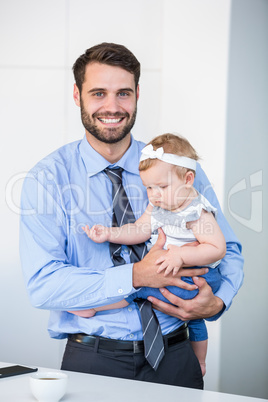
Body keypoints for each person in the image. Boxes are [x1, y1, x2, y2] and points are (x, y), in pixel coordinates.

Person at [20, 42, 244, 389]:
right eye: (98, 93)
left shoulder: (178, 167)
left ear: (138, 94)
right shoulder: (46, 180)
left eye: (123, 93)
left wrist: (216, 302)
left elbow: (226, 248)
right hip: (93, 360)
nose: (112, 106)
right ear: (77, 96)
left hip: (176, 356)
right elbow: (44, 285)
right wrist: (137, 275)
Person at [69, 133, 226, 376]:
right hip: (174, 269)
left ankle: (95, 308)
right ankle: (201, 362)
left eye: (161, 187)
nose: (154, 194)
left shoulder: (196, 211)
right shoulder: (159, 205)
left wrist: (181, 256)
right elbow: (140, 229)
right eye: (149, 187)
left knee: (137, 287)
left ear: (188, 179)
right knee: (194, 319)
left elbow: (217, 248)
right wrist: (110, 234)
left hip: (200, 275)